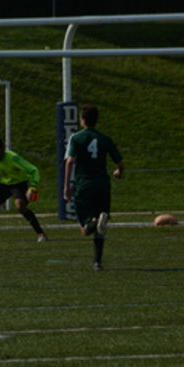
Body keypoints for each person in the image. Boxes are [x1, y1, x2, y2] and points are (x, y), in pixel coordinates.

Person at [64, 104, 124, 270]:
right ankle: (97, 262)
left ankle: (95, 223)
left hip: (85, 185)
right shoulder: (105, 139)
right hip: (103, 185)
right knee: (100, 227)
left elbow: (70, 161)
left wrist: (66, 187)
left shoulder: (76, 138)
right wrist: (118, 172)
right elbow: (120, 164)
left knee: (85, 229)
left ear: (82, 120)